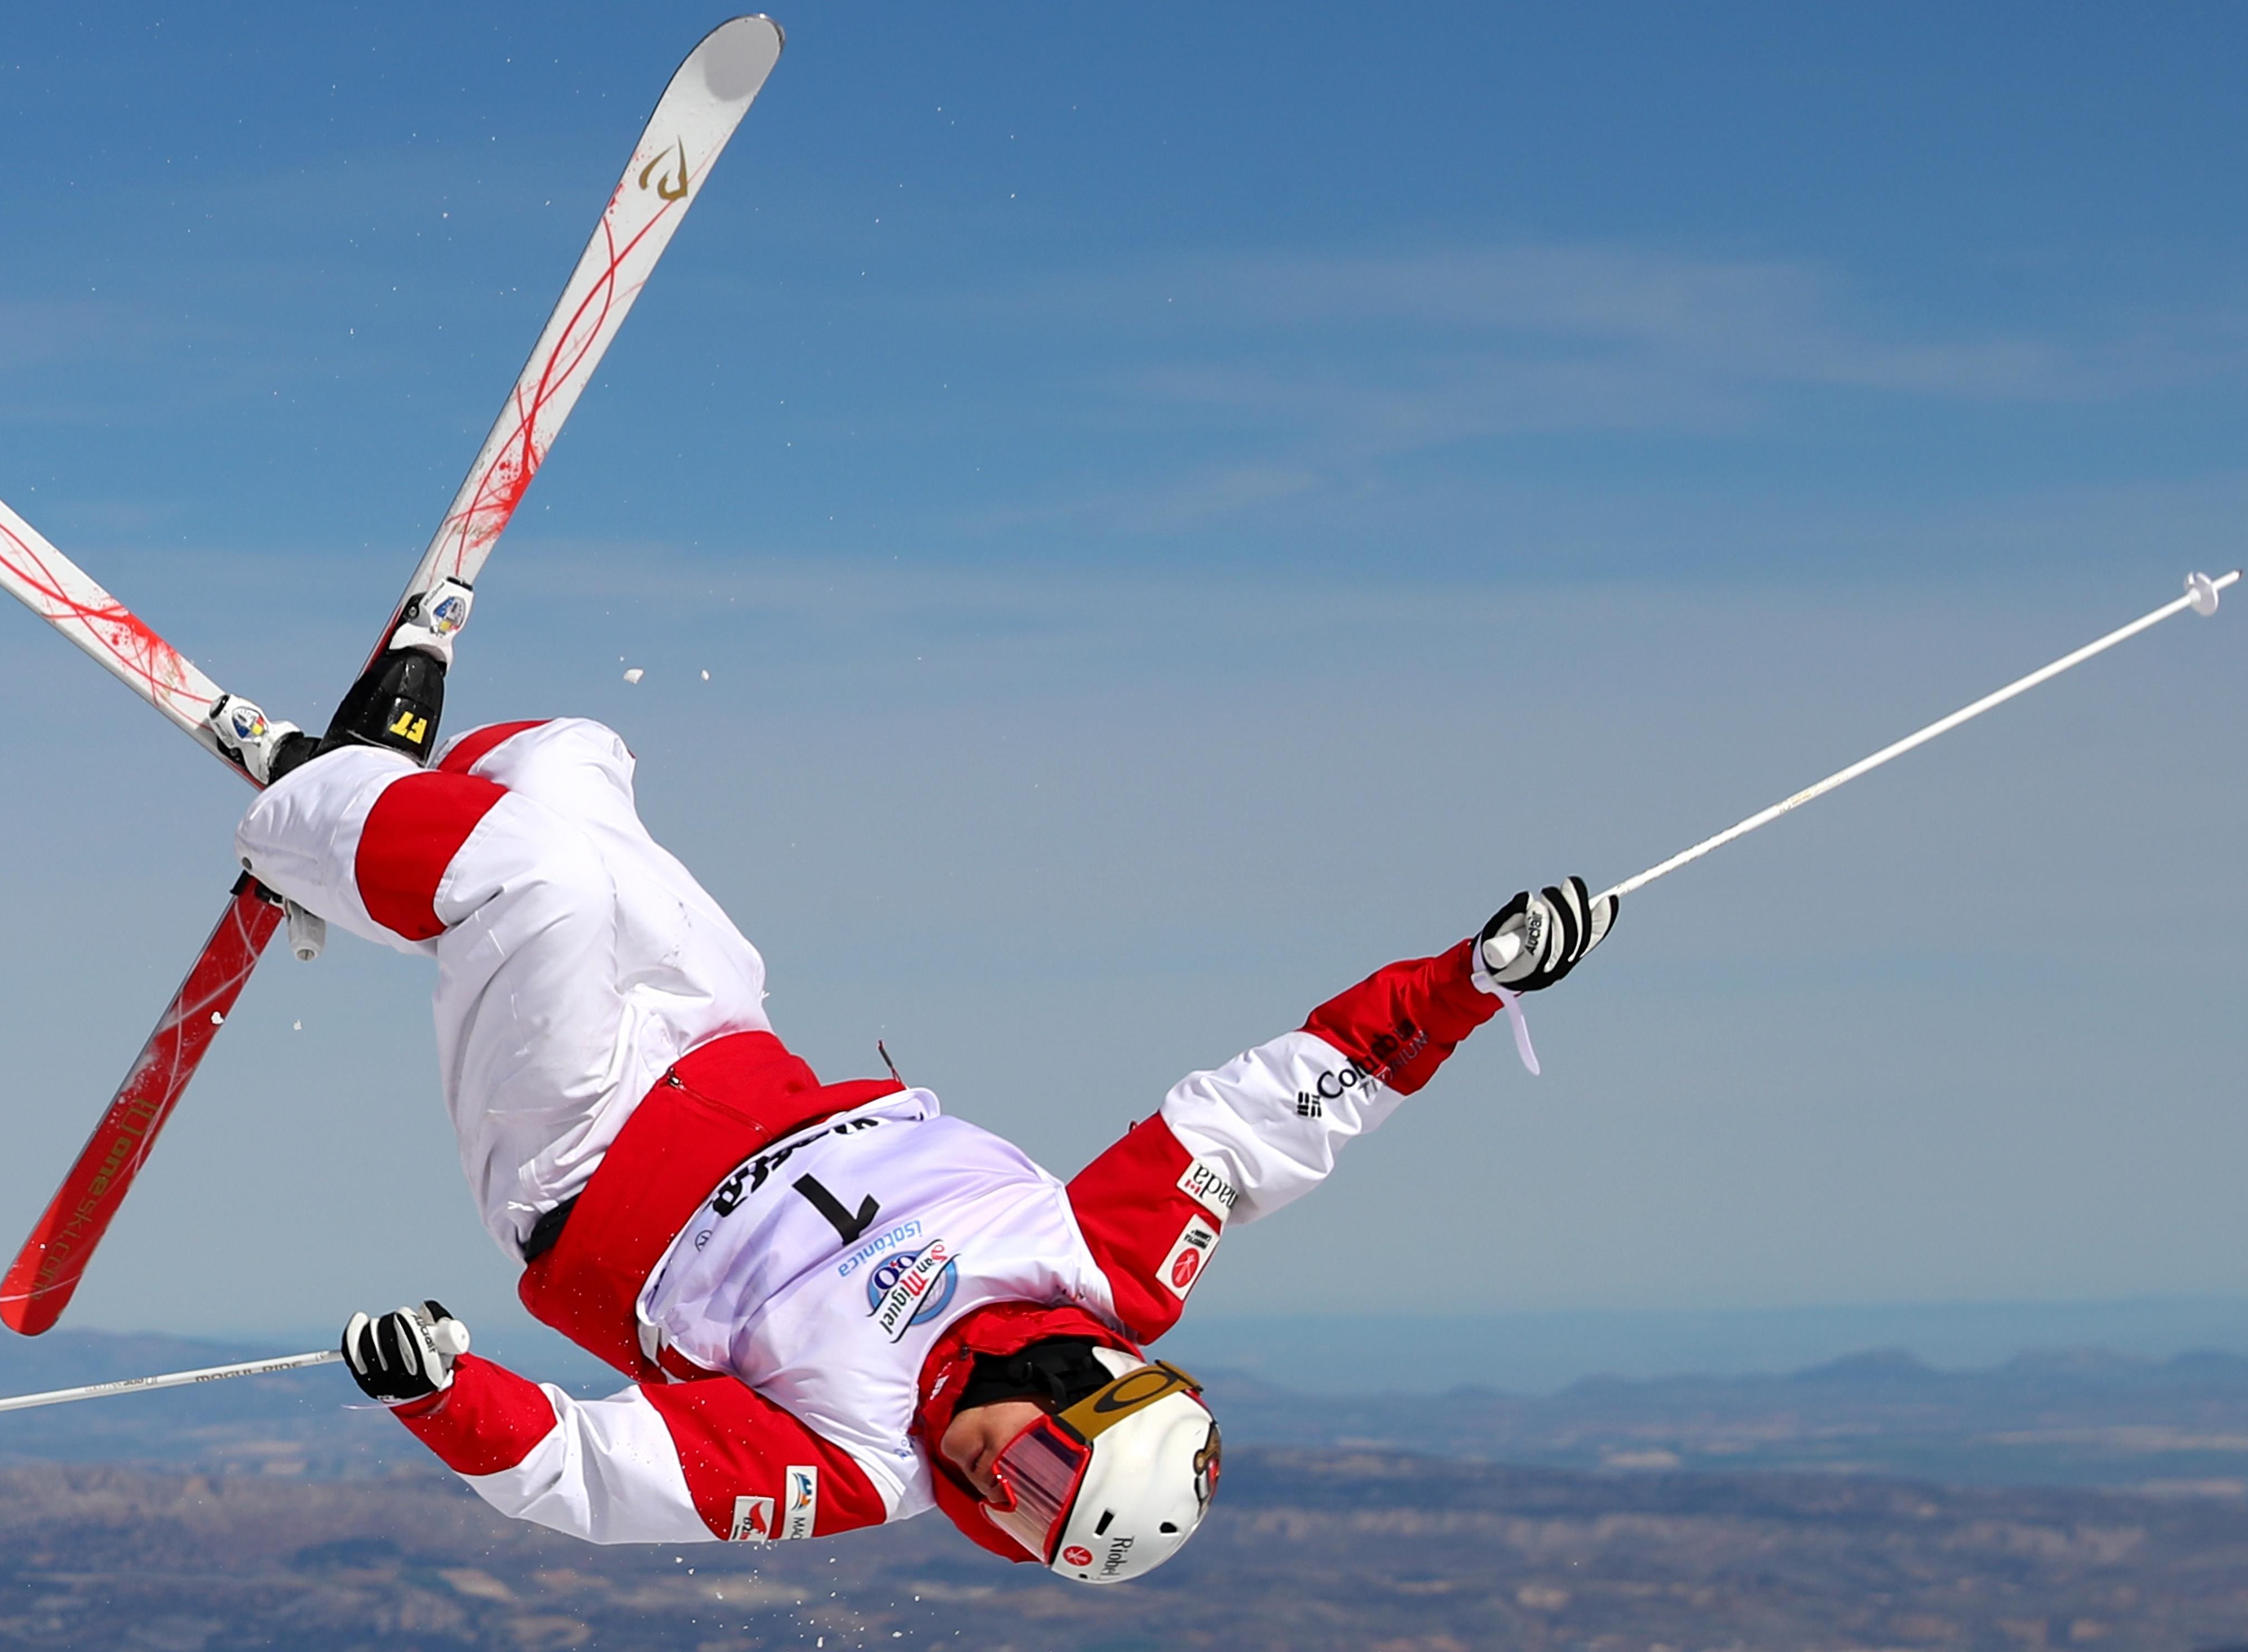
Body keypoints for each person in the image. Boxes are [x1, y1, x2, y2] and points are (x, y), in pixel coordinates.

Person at [225, 648, 1613, 1584]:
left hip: (578, 1148)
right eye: (1024, 1478)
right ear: (1078, 1386)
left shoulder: (849, 1462)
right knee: (576, 761)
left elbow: (588, 1478)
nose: (982, 1498)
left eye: (1016, 1523)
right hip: (730, 1038)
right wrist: (1472, 982)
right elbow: (1281, 1111)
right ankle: (391, 808)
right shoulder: (1106, 1267)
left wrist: (439, 1390)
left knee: (545, 887)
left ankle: (306, 805)